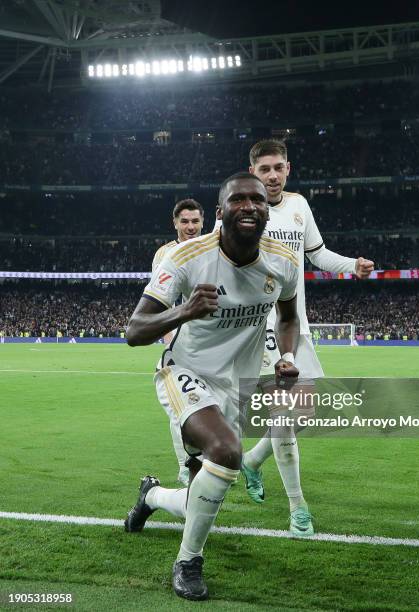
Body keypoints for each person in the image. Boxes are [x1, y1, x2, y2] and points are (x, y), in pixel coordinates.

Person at [124, 172, 300, 601]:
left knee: (205, 489)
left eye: (257, 200)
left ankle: (152, 497)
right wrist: (183, 311)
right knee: (226, 452)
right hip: (184, 373)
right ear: (220, 213)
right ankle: (187, 562)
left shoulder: (284, 262)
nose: (249, 206)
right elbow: (134, 330)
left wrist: (288, 356)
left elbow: (289, 316)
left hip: (236, 384)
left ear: (267, 211)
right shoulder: (186, 258)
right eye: (237, 200)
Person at [239, 140, 374, 536]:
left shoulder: (298, 206)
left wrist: (353, 265)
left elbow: (317, 253)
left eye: (278, 167)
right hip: (257, 325)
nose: (273, 175)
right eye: (264, 169)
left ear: (289, 168)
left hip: (295, 322)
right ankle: (298, 508)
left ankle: (251, 461)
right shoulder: (240, 211)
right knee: (282, 417)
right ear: (253, 172)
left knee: (301, 413)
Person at [152, 199, 205, 487]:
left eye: (195, 221)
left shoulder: (211, 248)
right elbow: (161, 303)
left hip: (212, 344)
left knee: (219, 409)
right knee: (179, 410)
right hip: (183, 346)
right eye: (184, 221)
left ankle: (214, 464)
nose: (190, 227)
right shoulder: (166, 254)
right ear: (175, 223)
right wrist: (172, 344)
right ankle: (186, 467)